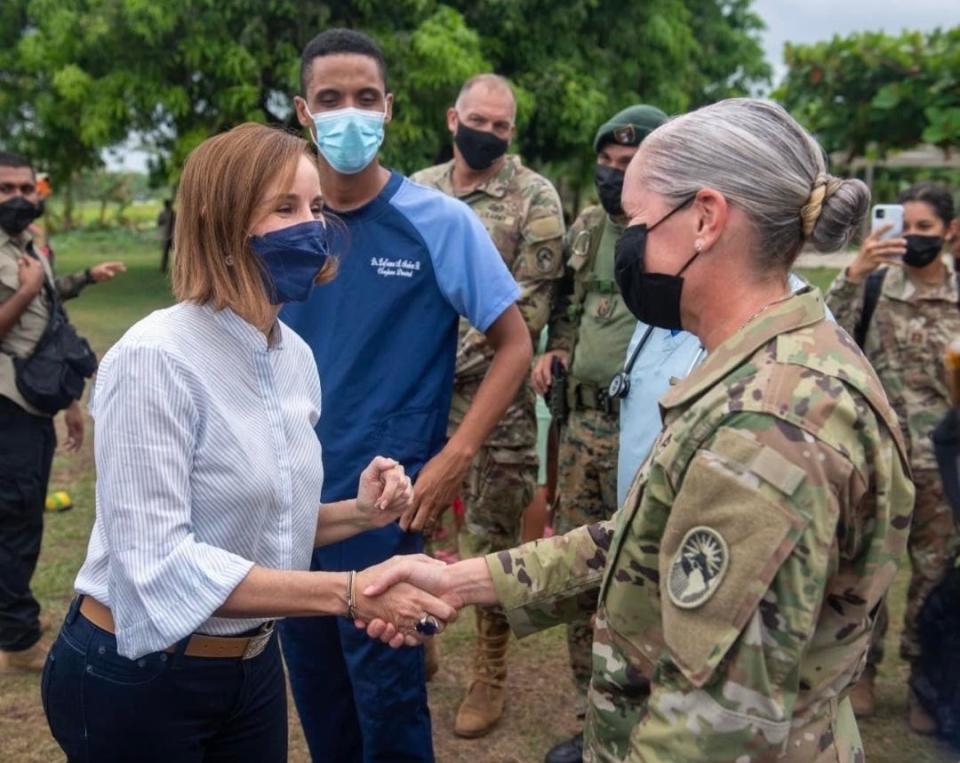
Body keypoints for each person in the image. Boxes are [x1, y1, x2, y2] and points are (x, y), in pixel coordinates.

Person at [362, 97, 915, 762]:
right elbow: (643, 538)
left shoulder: (764, 428)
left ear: (705, 218)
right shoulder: (764, 366)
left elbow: (707, 733)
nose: (629, 246)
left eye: (641, 223)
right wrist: (462, 580)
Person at [40, 122, 457, 762]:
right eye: (284, 208)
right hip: (139, 676)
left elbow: (261, 524)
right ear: (222, 223)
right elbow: (161, 563)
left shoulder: (292, 357)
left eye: (316, 207)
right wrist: (349, 592)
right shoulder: (156, 358)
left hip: (252, 666)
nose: (312, 226)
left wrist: (361, 514)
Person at [279, 30, 530, 762]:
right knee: (318, 696)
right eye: (330, 99)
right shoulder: (282, 224)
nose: (347, 114)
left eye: (364, 98)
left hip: (384, 503)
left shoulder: (438, 222)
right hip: (290, 501)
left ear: (389, 109)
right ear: (303, 110)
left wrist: (456, 453)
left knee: (385, 701)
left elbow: (515, 342)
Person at [411, 73, 565, 738]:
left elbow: (527, 307)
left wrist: (441, 358)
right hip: (418, 397)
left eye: (502, 126)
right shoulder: (417, 189)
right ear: (453, 118)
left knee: (494, 542)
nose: (489, 133)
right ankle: (420, 633)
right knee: (415, 522)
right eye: (479, 120)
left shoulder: (536, 198)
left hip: (496, 406)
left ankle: (490, 669)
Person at [529, 103, 667, 763]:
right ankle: (593, 711)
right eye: (606, 165)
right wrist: (552, 350)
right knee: (583, 568)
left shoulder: (672, 228)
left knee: (644, 570)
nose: (615, 178)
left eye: (630, 165)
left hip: (647, 429)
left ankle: (649, 713)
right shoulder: (587, 226)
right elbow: (565, 303)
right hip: (582, 426)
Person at [825, 181, 960, 731]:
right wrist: (854, 272)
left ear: (950, 232)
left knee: (933, 575)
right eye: (905, 226)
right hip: (880, 457)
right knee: (865, 573)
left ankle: (925, 683)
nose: (913, 238)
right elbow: (827, 329)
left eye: (925, 228)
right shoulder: (877, 284)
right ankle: (860, 672)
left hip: (945, 466)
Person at [0, 150, 93, 672]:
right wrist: (29, 288)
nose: (17, 198)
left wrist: (71, 402)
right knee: (14, 520)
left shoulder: (28, 246)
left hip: (33, 402)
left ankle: (17, 623)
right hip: (6, 406)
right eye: (4, 189)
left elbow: (51, 326)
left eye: (24, 188)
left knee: (24, 518)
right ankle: (16, 643)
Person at [158, 198, 175, 274]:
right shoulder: (163, 213)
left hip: (173, 235)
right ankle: (163, 267)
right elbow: (159, 222)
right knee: (165, 252)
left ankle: (175, 267)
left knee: (174, 253)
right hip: (166, 235)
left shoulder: (174, 213)